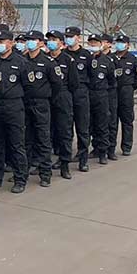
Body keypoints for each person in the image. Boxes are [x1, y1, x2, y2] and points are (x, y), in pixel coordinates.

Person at [22, 30, 62, 188]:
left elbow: (57, 85)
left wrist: (47, 97)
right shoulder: (22, 60)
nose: (29, 42)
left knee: (43, 139)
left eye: (33, 39)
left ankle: (45, 173)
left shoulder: (48, 62)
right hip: (24, 103)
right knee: (25, 140)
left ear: (40, 42)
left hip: (41, 103)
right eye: (28, 39)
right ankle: (23, 173)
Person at [0, 29, 28, 193]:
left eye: (2, 42)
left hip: (14, 106)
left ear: (10, 43)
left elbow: (28, 86)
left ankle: (20, 179)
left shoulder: (21, 62)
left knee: (16, 145)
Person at [46, 30, 79, 180]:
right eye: (49, 39)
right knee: (45, 133)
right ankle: (43, 163)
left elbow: (74, 83)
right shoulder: (44, 59)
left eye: (54, 39)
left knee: (64, 132)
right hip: (47, 97)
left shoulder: (68, 60)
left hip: (63, 97)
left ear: (61, 43)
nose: (51, 42)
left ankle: (64, 163)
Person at [64, 26, 93, 172]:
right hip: (66, 93)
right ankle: (64, 158)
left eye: (71, 36)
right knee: (65, 129)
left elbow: (92, 76)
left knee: (82, 129)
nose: (68, 39)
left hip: (81, 92)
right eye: (67, 36)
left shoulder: (86, 55)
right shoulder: (63, 54)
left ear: (78, 38)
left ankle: (83, 160)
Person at [87, 34, 116, 165]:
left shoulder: (107, 61)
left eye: (96, 43)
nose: (93, 45)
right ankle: (93, 149)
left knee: (102, 125)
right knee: (89, 125)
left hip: (102, 95)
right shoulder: (86, 59)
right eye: (91, 43)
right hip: (88, 94)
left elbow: (112, 81)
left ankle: (103, 152)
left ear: (101, 44)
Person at [113, 34, 137, 156]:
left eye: (122, 43)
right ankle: (110, 148)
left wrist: (130, 88)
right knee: (111, 121)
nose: (119, 45)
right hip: (112, 92)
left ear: (128, 45)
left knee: (127, 121)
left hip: (126, 92)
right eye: (118, 42)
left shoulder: (134, 60)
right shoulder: (111, 58)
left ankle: (126, 146)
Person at [101, 33, 119, 161]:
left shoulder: (114, 59)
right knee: (98, 123)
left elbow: (115, 79)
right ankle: (98, 148)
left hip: (111, 93)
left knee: (111, 122)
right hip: (98, 94)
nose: (102, 44)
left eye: (104, 41)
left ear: (109, 44)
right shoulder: (94, 58)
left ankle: (111, 149)